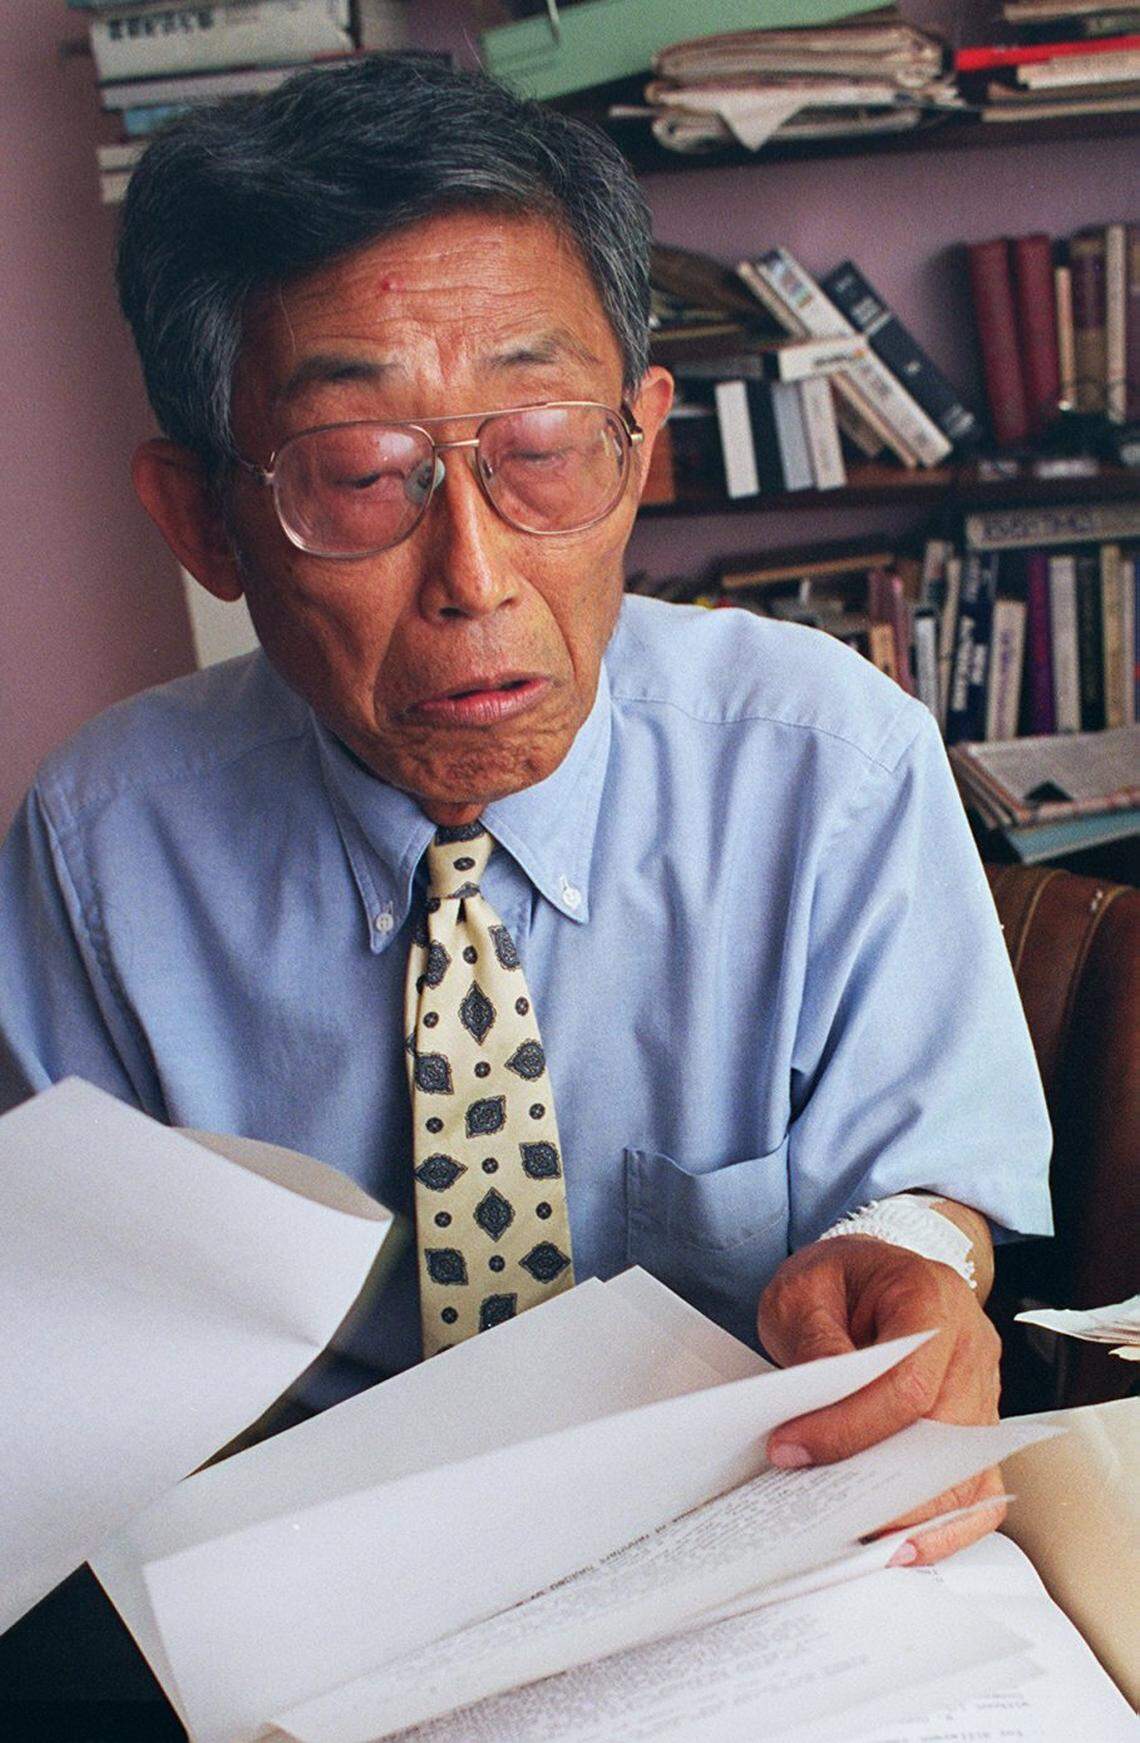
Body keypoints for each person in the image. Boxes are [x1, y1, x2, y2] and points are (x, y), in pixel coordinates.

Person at [1, 55, 1050, 1574]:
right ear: (201, 523)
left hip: (746, 1547)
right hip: (301, 1573)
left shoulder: (831, 763)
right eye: (360, 476)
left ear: (643, 448)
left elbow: (932, 1186)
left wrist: (907, 1260)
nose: (477, 579)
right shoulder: (100, 845)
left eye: (543, 451)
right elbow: (69, 1349)